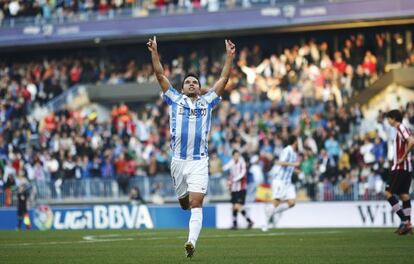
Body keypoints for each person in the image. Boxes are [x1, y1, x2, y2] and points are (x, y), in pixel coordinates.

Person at [147, 36, 235, 258]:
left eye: (195, 82)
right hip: (178, 161)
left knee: (197, 203)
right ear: (183, 87)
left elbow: (224, 78)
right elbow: (159, 75)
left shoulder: (208, 101)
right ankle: (188, 220)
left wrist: (230, 57)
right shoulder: (174, 99)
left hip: (199, 161)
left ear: (200, 87)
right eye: (188, 82)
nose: (192, 83)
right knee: (184, 204)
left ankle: (191, 243)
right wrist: (154, 52)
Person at [384, 109, 413, 235]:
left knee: (388, 193)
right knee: (404, 195)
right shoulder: (400, 129)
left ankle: (405, 221)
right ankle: (408, 225)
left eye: (388, 118)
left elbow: (411, 141)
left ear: (393, 118)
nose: (388, 121)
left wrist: (403, 156)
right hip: (406, 168)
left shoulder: (401, 127)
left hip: (400, 167)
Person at [262, 135, 300, 232]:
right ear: (295, 141)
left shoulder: (294, 154)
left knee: (292, 203)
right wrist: (294, 165)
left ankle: (271, 211)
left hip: (288, 182)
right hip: (280, 180)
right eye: (298, 141)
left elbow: (288, 167)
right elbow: (280, 162)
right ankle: (265, 224)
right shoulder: (287, 150)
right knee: (276, 202)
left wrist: (295, 170)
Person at [223, 150, 253, 230]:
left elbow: (242, 174)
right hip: (233, 188)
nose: (236, 157)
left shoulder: (242, 163)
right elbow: (225, 167)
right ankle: (235, 224)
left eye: (238, 155)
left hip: (241, 188)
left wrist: (232, 180)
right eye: (235, 155)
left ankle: (249, 221)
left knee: (237, 206)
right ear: (233, 156)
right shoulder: (232, 162)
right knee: (233, 206)